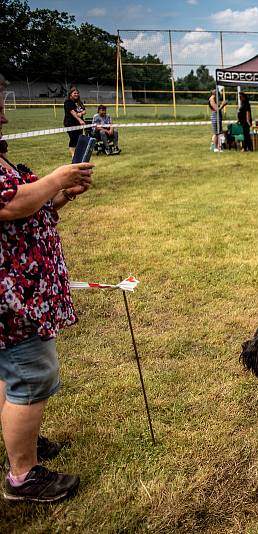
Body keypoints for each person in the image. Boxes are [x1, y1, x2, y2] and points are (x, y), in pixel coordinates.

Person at [0, 74, 93, 503]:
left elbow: (27, 207)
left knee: (12, 375)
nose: (4, 107)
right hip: (13, 298)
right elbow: (11, 204)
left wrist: (60, 196)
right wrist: (55, 178)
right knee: (32, 376)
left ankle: (21, 448)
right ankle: (23, 475)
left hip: (23, 289)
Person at [63, 87, 86, 157]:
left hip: (78, 124)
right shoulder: (68, 102)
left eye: (77, 93)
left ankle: (78, 152)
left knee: (79, 138)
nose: (76, 94)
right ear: (70, 94)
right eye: (74, 93)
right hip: (70, 123)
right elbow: (72, 112)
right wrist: (80, 120)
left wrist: (81, 113)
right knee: (73, 138)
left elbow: (84, 111)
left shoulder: (79, 102)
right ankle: (73, 154)